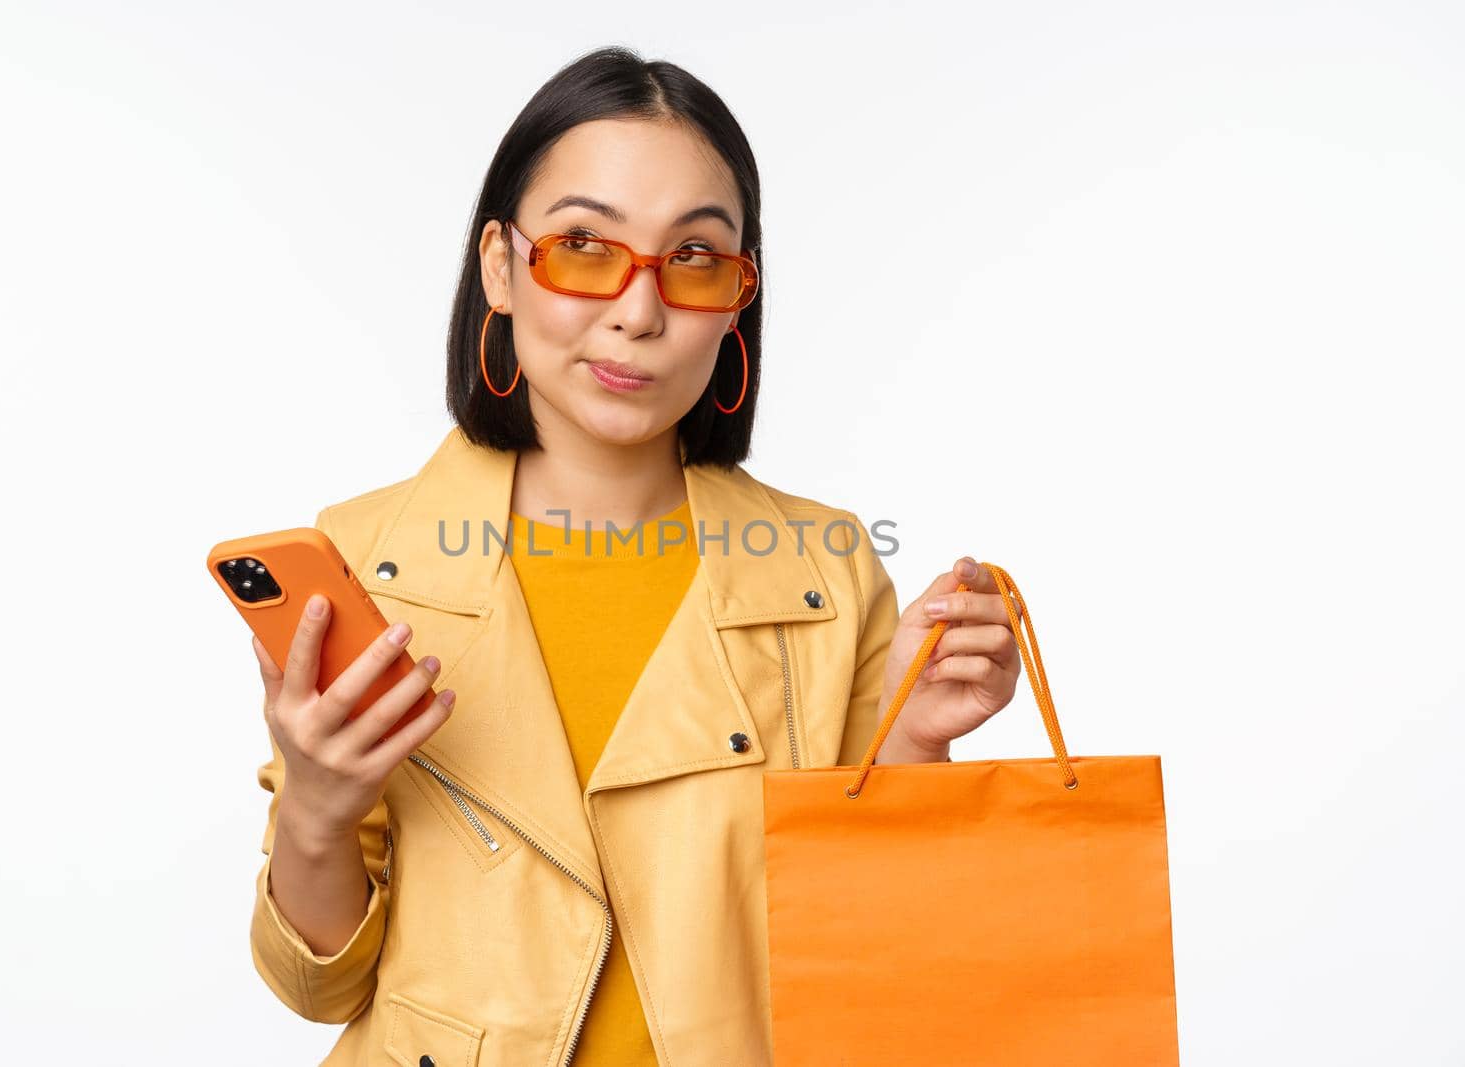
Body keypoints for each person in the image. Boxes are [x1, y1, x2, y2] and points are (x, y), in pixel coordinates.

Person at [246, 44, 1023, 1067]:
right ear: (499, 268)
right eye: (582, 245)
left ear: (737, 296)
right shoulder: (363, 558)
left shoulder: (826, 571)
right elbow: (320, 982)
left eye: (694, 258)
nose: (639, 310)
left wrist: (913, 743)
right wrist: (315, 805)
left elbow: (878, 961)